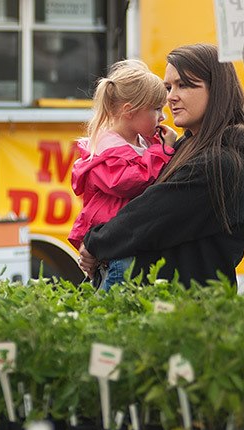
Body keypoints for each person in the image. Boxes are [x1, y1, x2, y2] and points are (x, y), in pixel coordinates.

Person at [79, 43, 244, 288]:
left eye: (185, 85)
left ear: (217, 90)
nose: (171, 97)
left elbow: (150, 216)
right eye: (169, 87)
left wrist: (95, 242)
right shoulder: (189, 146)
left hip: (187, 312)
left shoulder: (221, 161)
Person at [68, 59, 177, 290]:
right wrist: (163, 150)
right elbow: (130, 182)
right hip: (118, 253)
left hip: (126, 243)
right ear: (129, 111)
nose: (163, 117)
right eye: (156, 109)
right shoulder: (107, 150)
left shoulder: (140, 143)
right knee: (113, 313)